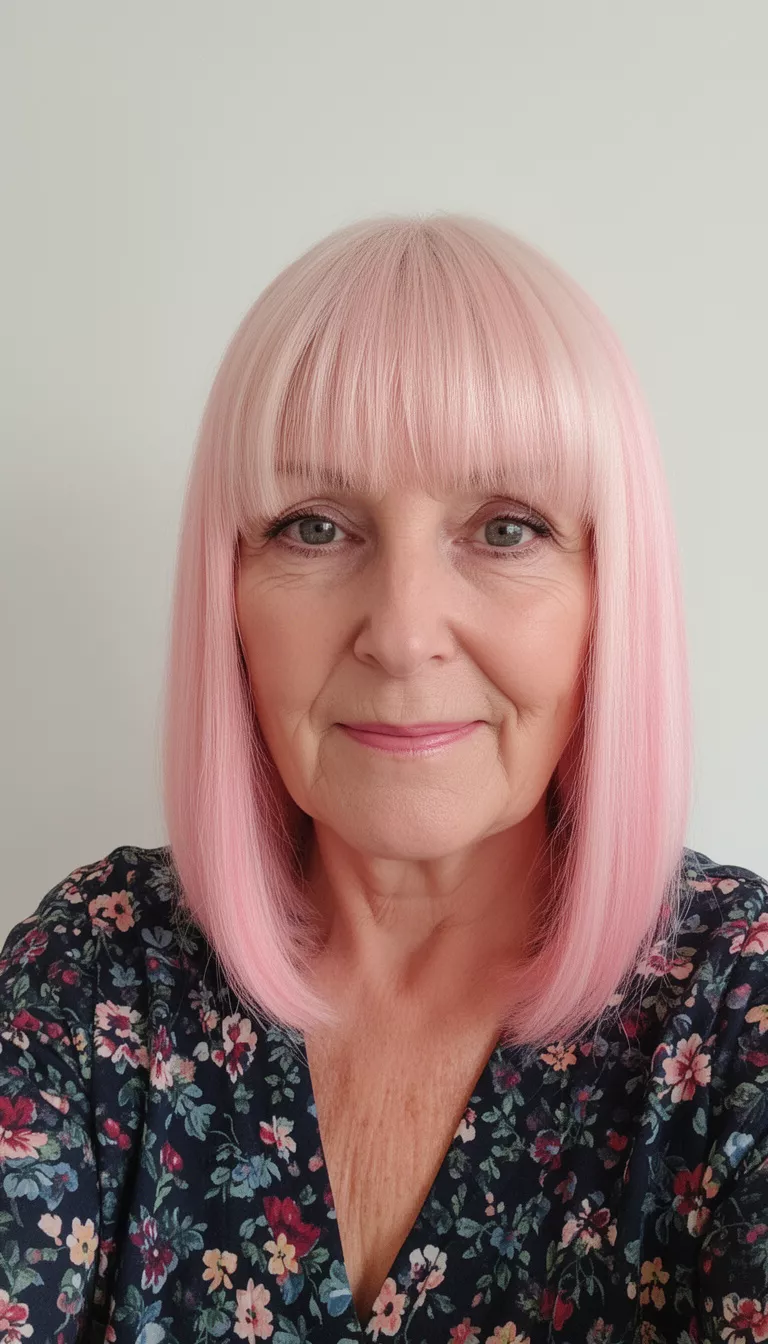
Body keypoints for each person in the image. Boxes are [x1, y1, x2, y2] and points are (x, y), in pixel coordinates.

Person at [1, 214, 766, 1344]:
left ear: (610, 596)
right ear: (231, 596)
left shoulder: (737, 1006)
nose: (404, 635)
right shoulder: (102, 974)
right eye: (314, 527)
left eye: (507, 528)